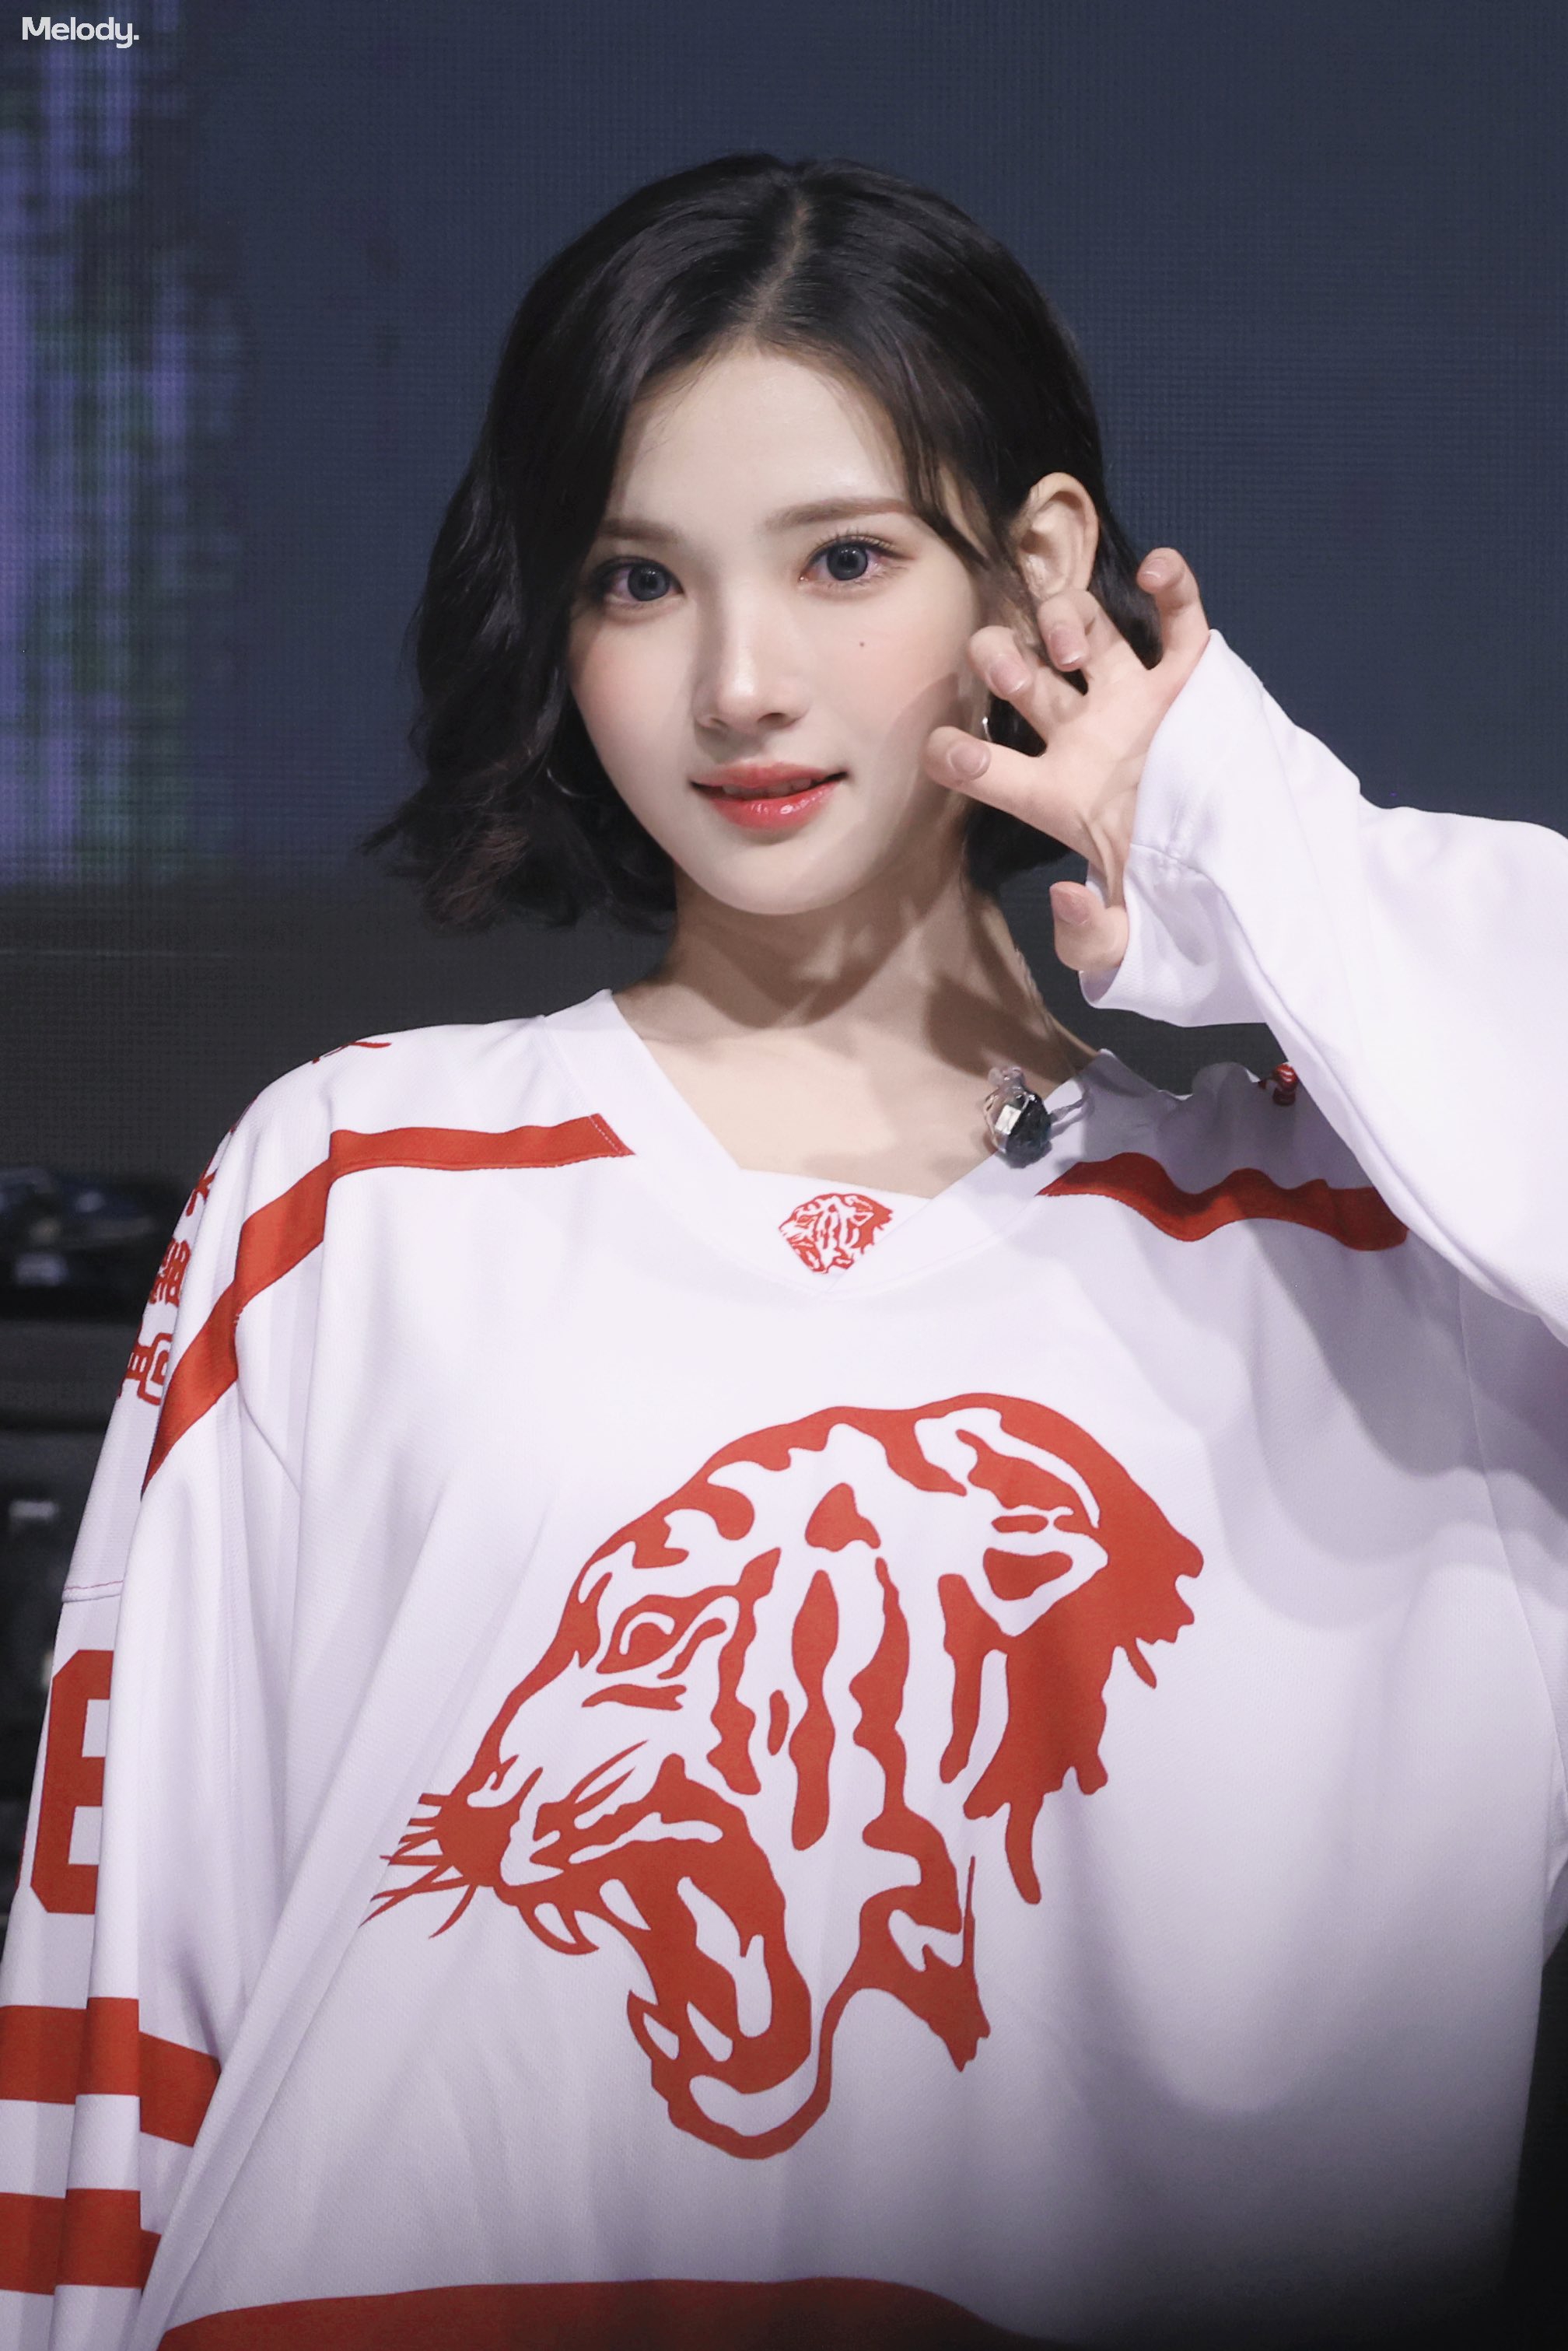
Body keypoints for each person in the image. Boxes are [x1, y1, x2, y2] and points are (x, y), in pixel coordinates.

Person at [0, 152, 1563, 2351]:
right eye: (640, 580)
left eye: (844, 559)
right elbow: (116, 2014)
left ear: (1038, 570)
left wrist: (1233, 826)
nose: (738, 682)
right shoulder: (360, 1186)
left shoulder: (1381, 1268)